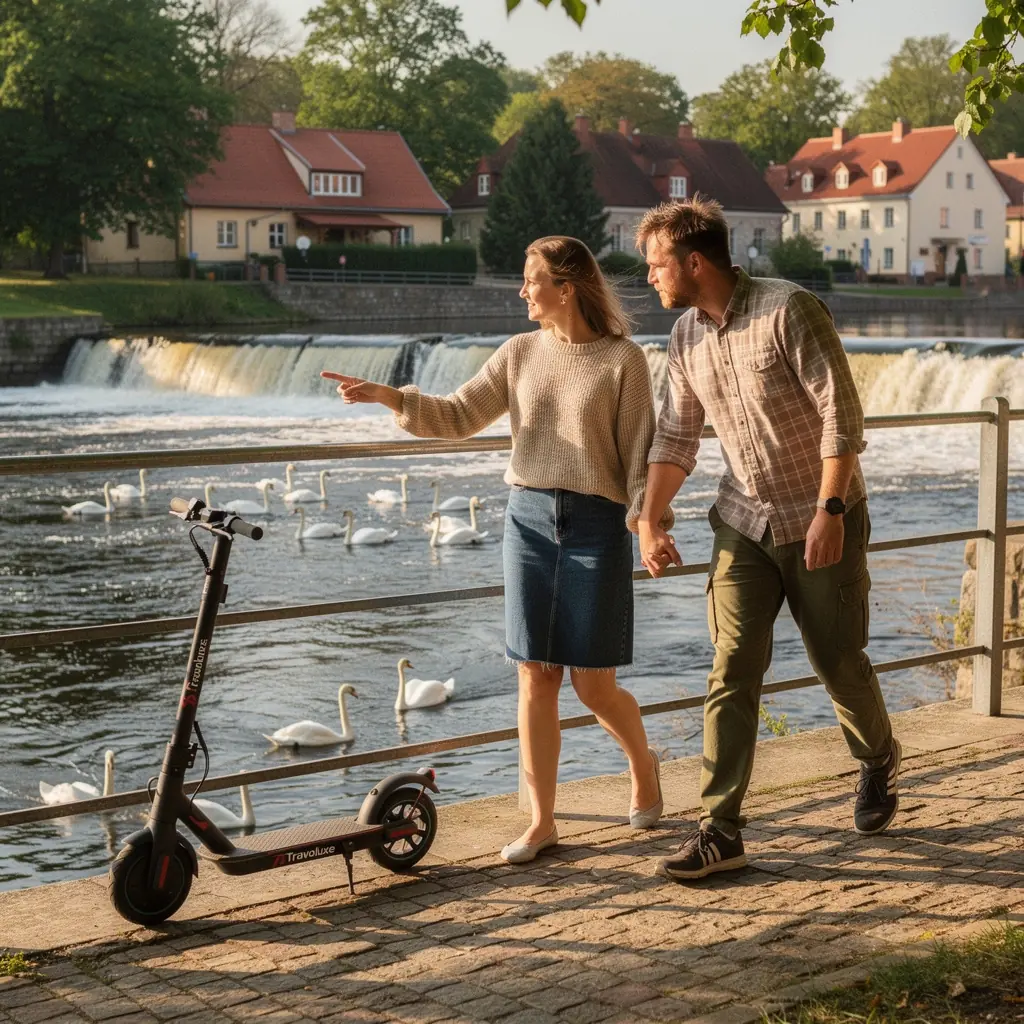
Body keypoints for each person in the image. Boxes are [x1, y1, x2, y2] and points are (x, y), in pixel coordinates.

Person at [321, 235, 665, 864]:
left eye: (529, 279)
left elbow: (641, 459)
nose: (521, 291)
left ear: (565, 286)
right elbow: (457, 414)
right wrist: (390, 397)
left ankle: (644, 766)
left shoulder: (625, 361)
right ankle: (540, 822)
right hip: (528, 521)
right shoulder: (518, 353)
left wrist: (648, 525)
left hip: (596, 523)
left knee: (593, 687)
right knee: (535, 676)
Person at [635, 196, 900, 882]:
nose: (650, 277)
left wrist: (831, 509)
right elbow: (676, 435)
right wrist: (649, 516)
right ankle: (720, 828)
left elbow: (842, 415)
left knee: (837, 660)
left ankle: (876, 758)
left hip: (821, 511)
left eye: (656, 264)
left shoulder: (789, 309)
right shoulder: (685, 337)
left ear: (695, 262)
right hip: (744, 523)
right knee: (732, 669)